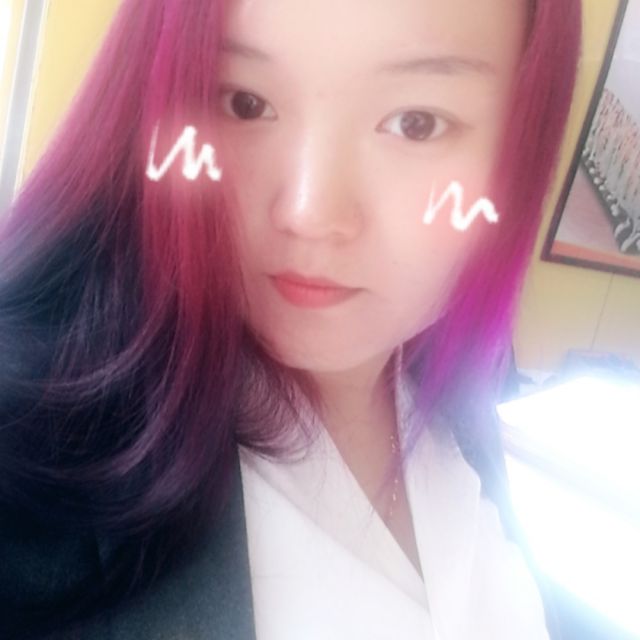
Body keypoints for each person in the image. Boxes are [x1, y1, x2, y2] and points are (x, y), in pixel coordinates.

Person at [0, 0, 581, 638]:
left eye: (416, 124)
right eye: (245, 103)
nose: (310, 212)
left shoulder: (455, 371)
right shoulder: (34, 435)